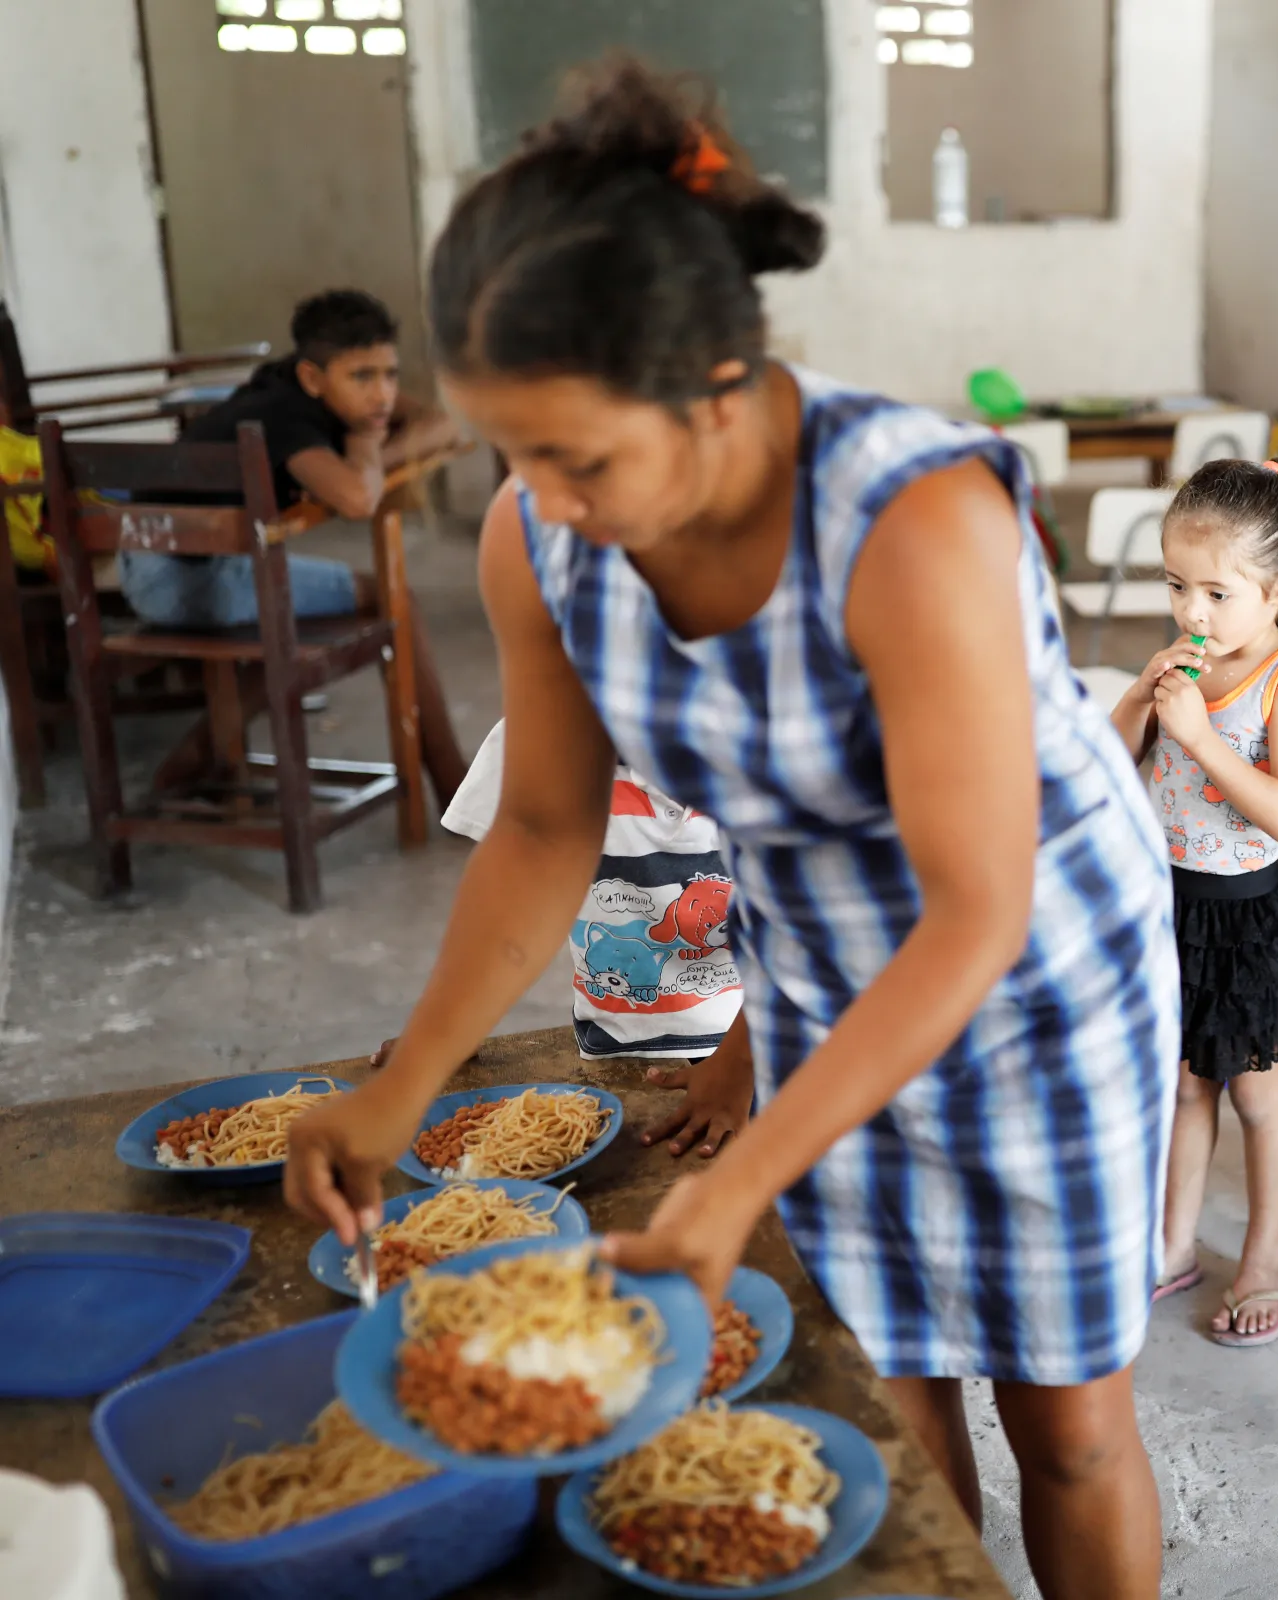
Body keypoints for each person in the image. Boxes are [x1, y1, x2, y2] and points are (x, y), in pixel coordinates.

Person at [280, 64, 1179, 1599]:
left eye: (583, 459)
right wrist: (404, 1088)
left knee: (1068, 1418)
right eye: (518, 456)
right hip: (829, 987)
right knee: (891, 1397)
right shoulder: (541, 535)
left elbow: (974, 909)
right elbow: (548, 822)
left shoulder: (909, 522)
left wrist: (741, 1173)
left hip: (1035, 989)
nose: (548, 505)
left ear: (714, 383)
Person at [1110, 456, 1278, 1350]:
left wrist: (1199, 736)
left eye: (1214, 591)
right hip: (1171, 911)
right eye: (1175, 586)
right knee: (1183, 1088)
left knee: (1255, 1099)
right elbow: (1112, 762)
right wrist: (1142, 696)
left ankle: (1263, 1257)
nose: (1192, 612)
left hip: (1244, 918)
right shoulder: (1181, 663)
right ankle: (1172, 1245)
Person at [123, 289, 467, 801]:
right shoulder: (284, 416)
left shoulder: (306, 381)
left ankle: (196, 756)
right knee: (394, 601)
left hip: (186, 563)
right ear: (312, 377)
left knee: (319, 622)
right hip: (179, 576)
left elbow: (442, 424)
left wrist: (370, 443)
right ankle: (454, 785)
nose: (382, 396)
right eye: (362, 378)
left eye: (389, 374)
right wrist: (366, 446)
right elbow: (357, 497)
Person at [433, 725, 751, 1159]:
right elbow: (509, 895)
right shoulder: (541, 733)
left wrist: (741, 1069)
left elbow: (811, 936)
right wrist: (452, 1025)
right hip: (614, 1050)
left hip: (763, 1047)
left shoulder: (779, 742)